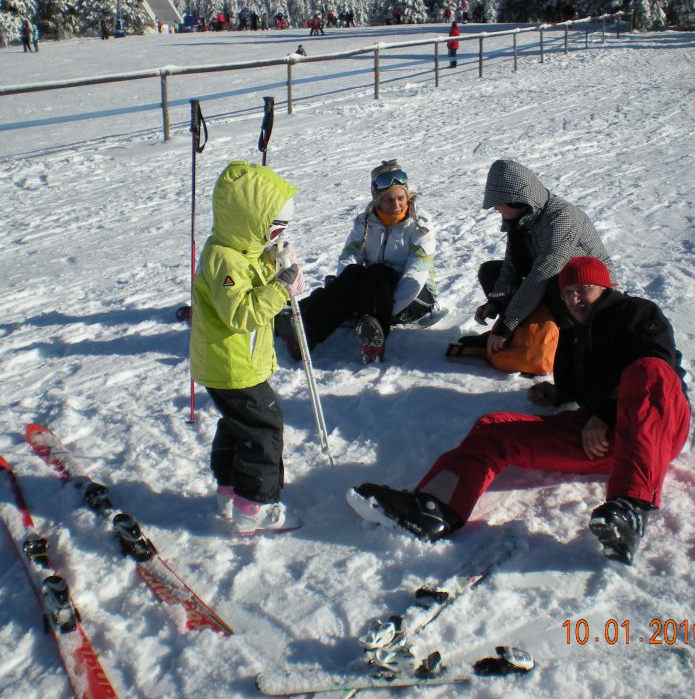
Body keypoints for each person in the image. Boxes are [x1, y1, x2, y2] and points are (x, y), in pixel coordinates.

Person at [347, 256, 690, 565]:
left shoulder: (637, 313)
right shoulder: (573, 333)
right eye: (568, 293)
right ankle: (434, 509)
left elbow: (659, 371)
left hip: (657, 431)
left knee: (648, 372)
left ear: (604, 287)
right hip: (602, 441)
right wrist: (556, 393)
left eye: (583, 289)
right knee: (495, 427)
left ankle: (629, 510)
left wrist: (604, 413)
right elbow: (576, 390)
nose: (574, 299)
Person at [190, 161, 304, 536]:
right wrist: (280, 288)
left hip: (231, 364)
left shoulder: (235, 248)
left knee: (239, 426)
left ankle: (230, 491)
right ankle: (256, 506)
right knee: (263, 428)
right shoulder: (224, 259)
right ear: (251, 220)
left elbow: (249, 275)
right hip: (233, 367)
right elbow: (241, 312)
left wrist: (271, 262)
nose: (278, 235)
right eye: (275, 228)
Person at [277, 160, 437, 365]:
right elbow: (349, 257)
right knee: (353, 272)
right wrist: (348, 292)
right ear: (378, 199)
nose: (396, 205)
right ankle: (305, 336)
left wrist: (383, 308)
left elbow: (417, 273)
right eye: (389, 199)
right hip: (374, 293)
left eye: (400, 198)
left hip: (414, 297)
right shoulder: (366, 222)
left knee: (378, 271)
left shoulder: (420, 226)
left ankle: (374, 335)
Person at [468, 159, 612, 361]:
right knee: (490, 271)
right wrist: (496, 301)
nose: (496, 209)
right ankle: (529, 332)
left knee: (554, 283)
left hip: (587, 297)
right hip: (551, 283)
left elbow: (541, 276)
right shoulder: (521, 219)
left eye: (499, 203)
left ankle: (569, 342)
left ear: (517, 199)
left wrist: (507, 324)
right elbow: (511, 265)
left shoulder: (563, 219)